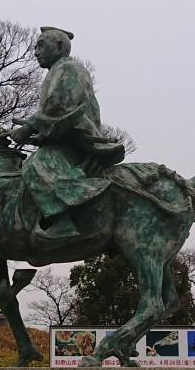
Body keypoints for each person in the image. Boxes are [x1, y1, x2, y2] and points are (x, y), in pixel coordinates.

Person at [9, 27, 125, 247]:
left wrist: (29, 127)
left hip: (78, 140)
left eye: (41, 45)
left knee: (37, 165)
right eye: (35, 46)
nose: (35, 52)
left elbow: (58, 106)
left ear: (60, 46)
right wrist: (35, 132)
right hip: (65, 137)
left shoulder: (69, 68)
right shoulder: (56, 71)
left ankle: (61, 222)